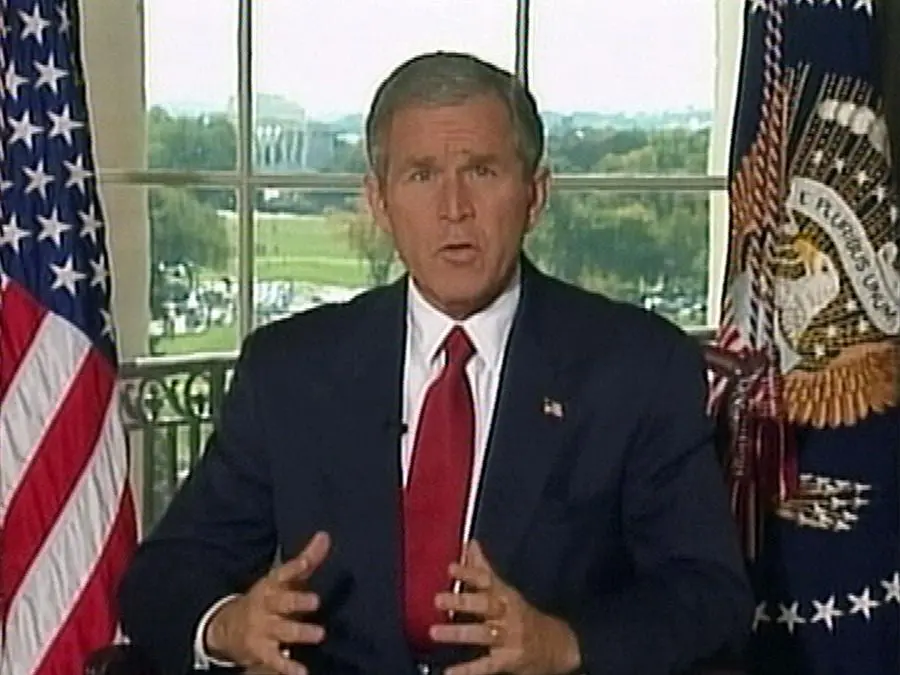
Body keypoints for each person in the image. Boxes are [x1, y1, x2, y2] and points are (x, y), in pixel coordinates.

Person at [118, 51, 752, 675]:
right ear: (378, 201)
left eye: (482, 171)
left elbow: (709, 594)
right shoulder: (289, 370)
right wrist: (228, 625)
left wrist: (563, 644)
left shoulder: (637, 367)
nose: (454, 208)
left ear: (534, 196)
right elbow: (164, 575)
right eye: (421, 175)